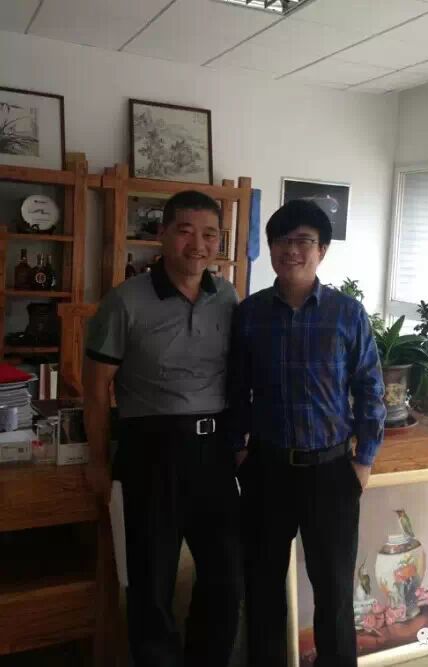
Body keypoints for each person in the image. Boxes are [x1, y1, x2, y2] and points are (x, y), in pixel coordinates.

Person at [83, 190, 242, 667]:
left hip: (213, 454)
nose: (198, 244)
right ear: (162, 234)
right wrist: (97, 461)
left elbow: (240, 376)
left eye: (210, 234)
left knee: (226, 577)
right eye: (185, 231)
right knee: (151, 585)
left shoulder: (227, 297)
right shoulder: (125, 300)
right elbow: (96, 388)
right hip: (150, 454)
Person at [229, 199, 386, 667]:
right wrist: (239, 451)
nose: (292, 250)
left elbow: (370, 389)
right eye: (282, 240)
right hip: (267, 470)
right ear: (270, 248)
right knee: (262, 587)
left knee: (334, 592)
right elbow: (235, 388)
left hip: (331, 472)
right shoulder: (251, 313)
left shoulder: (347, 314)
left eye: (304, 241)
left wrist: (364, 461)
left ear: (322, 250)